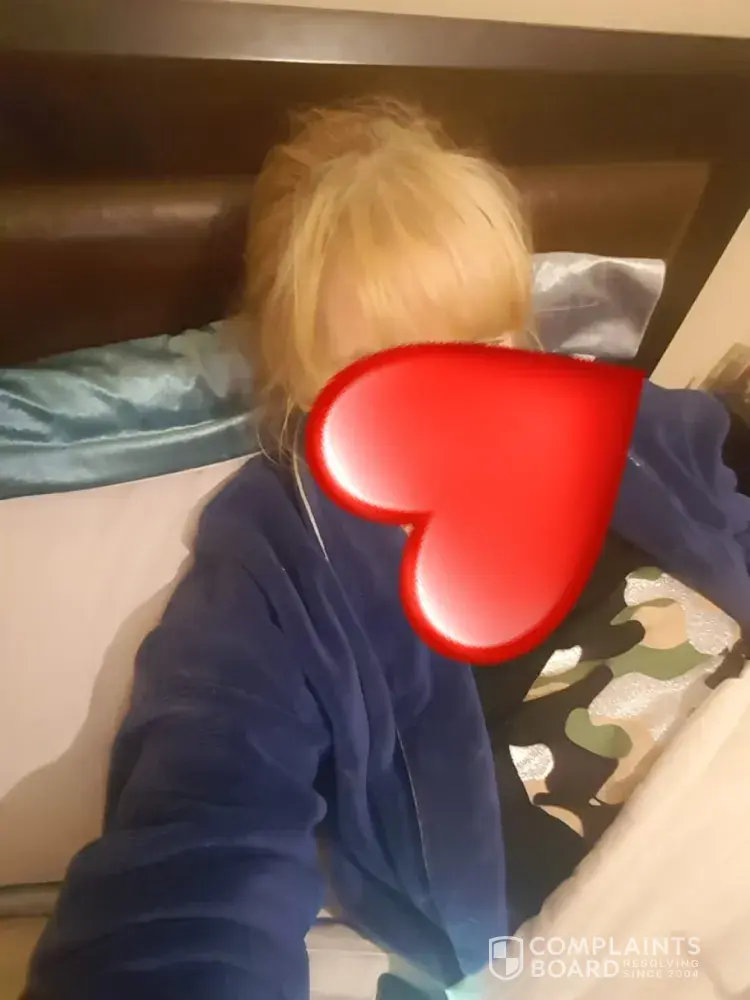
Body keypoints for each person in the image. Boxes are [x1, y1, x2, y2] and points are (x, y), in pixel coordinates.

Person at [23, 101, 750, 1000]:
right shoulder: (284, 555)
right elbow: (200, 841)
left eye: (487, 344)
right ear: (305, 385)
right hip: (640, 918)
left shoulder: (627, 425)